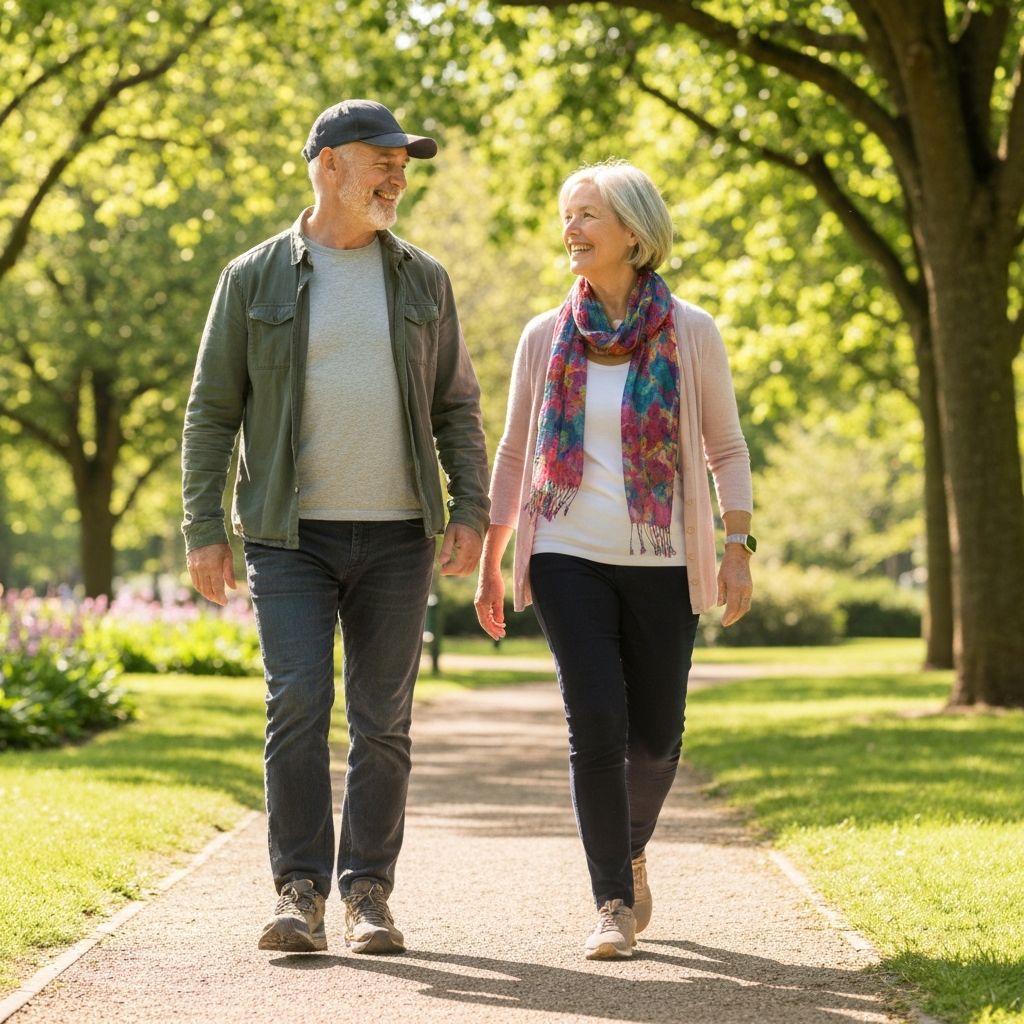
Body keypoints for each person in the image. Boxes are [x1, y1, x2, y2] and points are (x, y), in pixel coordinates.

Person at [181, 99, 489, 955]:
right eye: (381, 158)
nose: (398, 174)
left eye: (404, 162)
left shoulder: (423, 277)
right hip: (290, 534)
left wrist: (470, 508)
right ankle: (299, 890)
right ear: (326, 164)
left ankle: (368, 895)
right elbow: (212, 412)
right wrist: (204, 526)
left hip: (397, 534)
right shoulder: (254, 277)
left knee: (384, 719)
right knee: (298, 704)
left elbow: (457, 406)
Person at [475, 161, 754, 960]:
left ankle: (631, 848)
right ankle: (610, 901)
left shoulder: (690, 331)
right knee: (595, 717)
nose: (571, 229)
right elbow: (512, 454)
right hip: (567, 550)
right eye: (567, 215)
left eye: (587, 215)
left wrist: (737, 548)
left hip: (665, 556)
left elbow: (725, 448)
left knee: (658, 736)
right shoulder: (543, 337)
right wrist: (493, 560)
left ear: (633, 232)